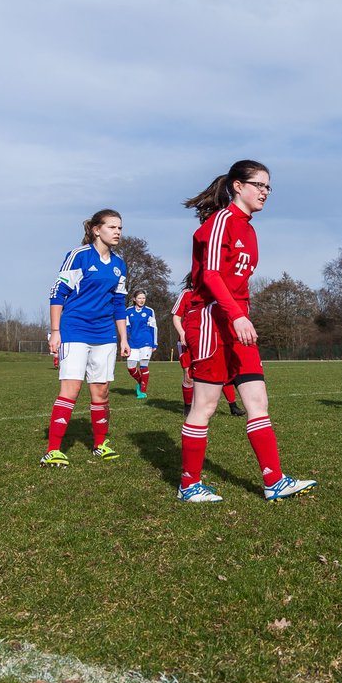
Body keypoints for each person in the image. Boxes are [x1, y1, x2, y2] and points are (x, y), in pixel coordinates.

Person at [178, 161, 316, 503]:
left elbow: (239, 284)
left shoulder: (250, 230)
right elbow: (210, 276)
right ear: (238, 186)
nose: (265, 192)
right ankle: (188, 484)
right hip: (211, 321)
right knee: (205, 405)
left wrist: (243, 316)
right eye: (259, 185)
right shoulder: (219, 222)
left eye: (269, 187)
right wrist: (236, 316)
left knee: (257, 400)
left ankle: (274, 481)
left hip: (238, 324)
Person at [39, 209, 130, 467]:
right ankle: (53, 450)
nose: (118, 232)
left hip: (104, 334)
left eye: (120, 228)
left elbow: (118, 303)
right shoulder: (78, 256)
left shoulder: (119, 264)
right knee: (72, 389)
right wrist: (55, 331)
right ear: (96, 230)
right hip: (75, 329)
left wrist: (123, 338)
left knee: (101, 391)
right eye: (112, 227)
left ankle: (100, 445)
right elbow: (58, 293)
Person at [171, 283, 244, 419]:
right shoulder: (187, 293)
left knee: (221, 372)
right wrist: (182, 333)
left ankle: (233, 406)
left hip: (210, 339)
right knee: (188, 375)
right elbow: (176, 316)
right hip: (188, 340)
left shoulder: (215, 291)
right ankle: (188, 407)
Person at [124, 290, 159, 399]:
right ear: (134, 299)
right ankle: (141, 382)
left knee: (144, 366)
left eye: (143, 298)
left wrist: (154, 343)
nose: (142, 300)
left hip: (146, 341)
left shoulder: (149, 311)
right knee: (131, 367)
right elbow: (126, 328)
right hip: (132, 343)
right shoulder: (128, 311)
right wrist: (125, 342)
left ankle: (143, 391)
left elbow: (153, 327)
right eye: (139, 298)